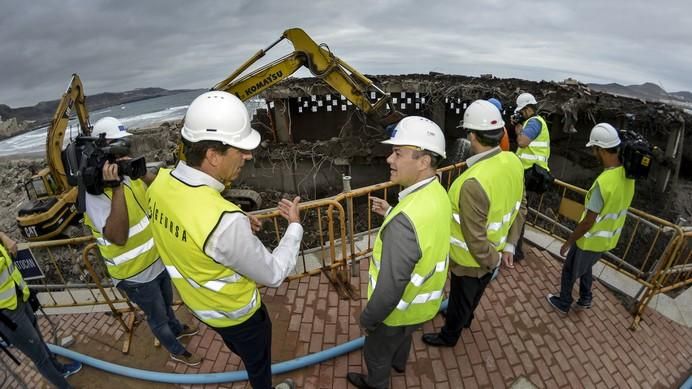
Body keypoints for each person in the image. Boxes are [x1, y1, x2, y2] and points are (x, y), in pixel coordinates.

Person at [146, 91, 299, 389]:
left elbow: (190, 230)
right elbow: (274, 274)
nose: (248, 156)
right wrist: (294, 226)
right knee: (258, 367)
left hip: (205, 311)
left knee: (241, 352)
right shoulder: (223, 222)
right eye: (239, 149)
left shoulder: (160, 183)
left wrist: (236, 228)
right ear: (213, 156)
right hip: (241, 317)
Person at [83, 117, 201, 367]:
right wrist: (116, 189)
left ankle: (177, 328)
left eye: (126, 148)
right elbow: (118, 236)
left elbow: (164, 190)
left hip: (158, 261)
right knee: (156, 316)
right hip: (134, 275)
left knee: (168, 305)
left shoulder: (131, 177)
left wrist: (138, 172)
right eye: (118, 150)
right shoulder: (95, 194)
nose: (124, 155)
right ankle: (175, 348)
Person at [347, 116, 451, 389]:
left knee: (375, 353)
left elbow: (390, 288)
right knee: (403, 338)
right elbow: (422, 235)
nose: (389, 160)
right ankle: (399, 363)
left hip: (395, 312)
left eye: (397, 153)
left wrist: (368, 318)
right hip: (421, 307)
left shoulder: (406, 220)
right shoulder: (439, 193)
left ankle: (377, 383)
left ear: (423, 161)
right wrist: (392, 213)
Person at [422, 100, 525, 348]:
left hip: (471, 259)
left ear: (472, 135)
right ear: (501, 132)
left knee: (461, 298)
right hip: (494, 251)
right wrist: (509, 246)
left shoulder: (472, 182)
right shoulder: (513, 162)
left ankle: (450, 335)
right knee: (473, 296)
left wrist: (493, 261)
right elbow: (521, 208)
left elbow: (475, 237)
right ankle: (465, 318)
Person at [547, 123, 634, 314]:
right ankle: (586, 298)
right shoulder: (628, 175)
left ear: (601, 150)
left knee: (570, 270)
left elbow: (588, 222)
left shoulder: (603, 183)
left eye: (594, 149)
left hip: (589, 239)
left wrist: (569, 242)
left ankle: (563, 302)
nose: (593, 153)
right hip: (607, 239)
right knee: (586, 268)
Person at [0, 231, 82, 389]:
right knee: (39, 357)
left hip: (20, 299)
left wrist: (3, 237)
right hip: (8, 315)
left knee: (39, 341)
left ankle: (59, 369)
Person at [511, 92, 551, 260]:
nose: (520, 114)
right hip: (530, 172)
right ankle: (514, 246)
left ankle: (516, 250)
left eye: (521, 111)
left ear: (528, 109)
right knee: (521, 211)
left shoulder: (534, 122)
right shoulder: (532, 122)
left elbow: (522, 142)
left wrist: (519, 128)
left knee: (520, 212)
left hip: (530, 173)